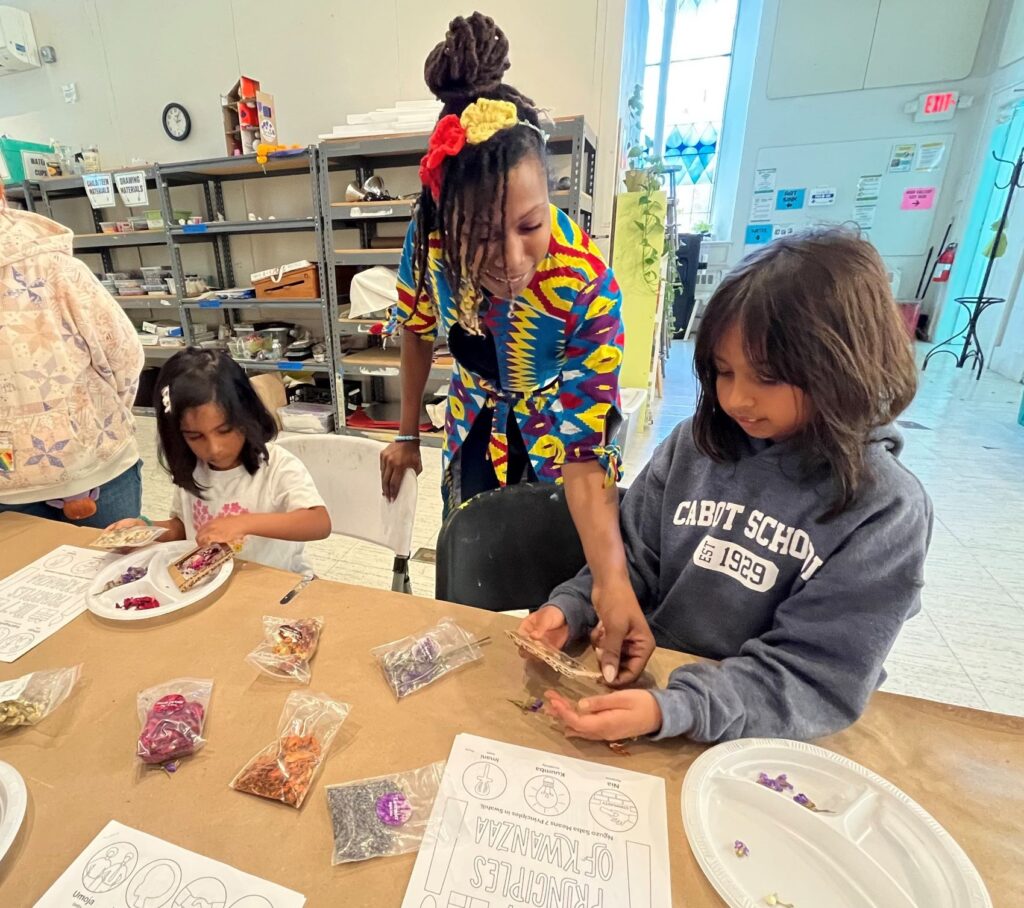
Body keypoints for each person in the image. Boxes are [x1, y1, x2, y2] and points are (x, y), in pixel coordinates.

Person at [520, 228, 932, 744]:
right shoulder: (694, 445)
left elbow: (814, 678)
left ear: (845, 367)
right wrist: (574, 607)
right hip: (658, 692)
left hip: (760, 732)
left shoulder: (885, 510)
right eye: (722, 371)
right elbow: (632, 558)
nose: (736, 399)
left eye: (768, 378)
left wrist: (678, 708)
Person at [379, 12, 652, 684]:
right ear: (447, 225)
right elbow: (416, 327)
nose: (509, 258)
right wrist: (407, 434)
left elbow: (587, 452)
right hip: (474, 419)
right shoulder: (429, 242)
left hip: (555, 430)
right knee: (472, 562)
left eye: (529, 225)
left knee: (553, 571)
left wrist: (611, 581)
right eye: (479, 236)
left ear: (550, 195)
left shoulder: (585, 283)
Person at [107, 349, 330, 574]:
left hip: (278, 580)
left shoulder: (277, 466)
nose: (214, 448)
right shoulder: (193, 469)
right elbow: (184, 527)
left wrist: (242, 523)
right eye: (195, 436)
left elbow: (319, 523)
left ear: (247, 415)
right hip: (216, 582)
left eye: (225, 430)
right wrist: (146, 529)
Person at [0, 182, 144, 526]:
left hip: (81, 472)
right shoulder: (57, 266)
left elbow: (123, 355)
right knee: (114, 558)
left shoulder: (55, 267)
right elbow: (123, 356)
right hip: (89, 461)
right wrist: (95, 421)